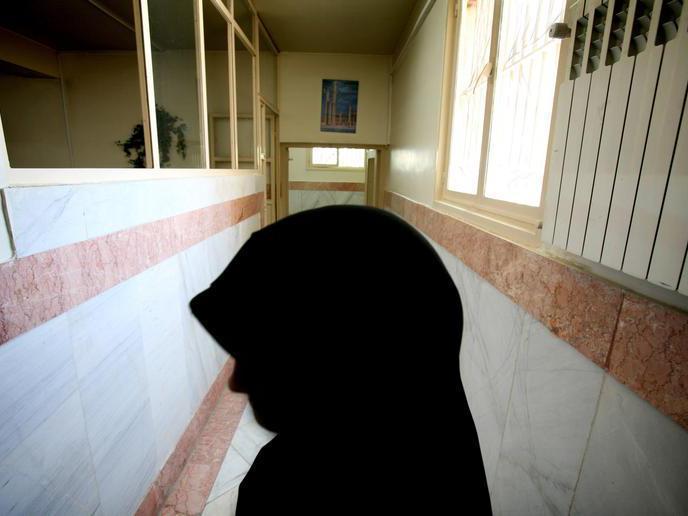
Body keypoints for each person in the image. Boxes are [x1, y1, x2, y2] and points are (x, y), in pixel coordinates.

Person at [190, 205, 491, 515]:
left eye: (264, 354)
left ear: (339, 359)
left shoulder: (286, 488)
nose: (236, 382)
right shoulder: (452, 467)